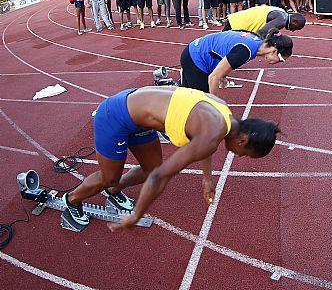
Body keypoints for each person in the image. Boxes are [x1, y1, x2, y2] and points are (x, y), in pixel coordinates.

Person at [60, 86, 280, 231]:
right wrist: (137, 215)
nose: (240, 156)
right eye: (246, 154)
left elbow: (202, 145)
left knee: (149, 168)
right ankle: (72, 200)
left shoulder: (224, 113)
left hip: (139, 118)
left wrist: (207, 178)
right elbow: (159, 178)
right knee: (111, 177)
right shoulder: (211, 135)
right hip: (115, 115)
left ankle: (114, 192)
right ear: (243, 141)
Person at [180, 30, 293, 94]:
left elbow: (226, 53)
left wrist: (223, 76)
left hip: (194, 51)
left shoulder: (256, 42)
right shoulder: (245, 51)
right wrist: (217, 107)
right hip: (195, 58)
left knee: (183, 97)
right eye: (281, 59)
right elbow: (213, 78)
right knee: (201, 106)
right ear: (274, 50)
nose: (277, 63)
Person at [222, 5, 306, 36]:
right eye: (296, 28)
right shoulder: (282, 20)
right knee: (219, 48)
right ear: (294, 21)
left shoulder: (282, 12)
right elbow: (261, 33)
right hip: (238, 25)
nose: (293, 30)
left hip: (236, 19)